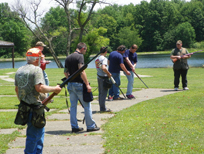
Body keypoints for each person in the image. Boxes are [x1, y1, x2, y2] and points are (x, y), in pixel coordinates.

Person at [15, 48, 61, 154]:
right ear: (37, 59)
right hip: (35, 109)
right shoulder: (37, 70)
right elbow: (39, 88)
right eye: (40, 58)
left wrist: (23, 101)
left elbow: (17, 89)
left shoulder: (19, 70)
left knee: (39, 135)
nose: (41, 60)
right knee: (33, 136)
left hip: (25, 108)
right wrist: (55, 89)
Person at [64, 42, 100, 133]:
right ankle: (90, 126)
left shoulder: (68, 57)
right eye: (85, 50)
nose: (85, 52)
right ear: (83, 48)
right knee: (87, 106)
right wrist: (87, 84)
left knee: (73, 107)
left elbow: (65, 72)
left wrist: (70, 79)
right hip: (79, 84)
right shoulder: (80, 56)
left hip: (70, 84)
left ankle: (74, 126)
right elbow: (81, 71)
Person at [95, 47, 112, 112]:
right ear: (106, 52)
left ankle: (101, 107)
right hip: (104, 77)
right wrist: (108, 73)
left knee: (100, 93)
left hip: (99, 77)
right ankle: (103, 108)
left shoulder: (97, 58)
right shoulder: (104, 59)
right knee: (104, 93)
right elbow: (104, 68)